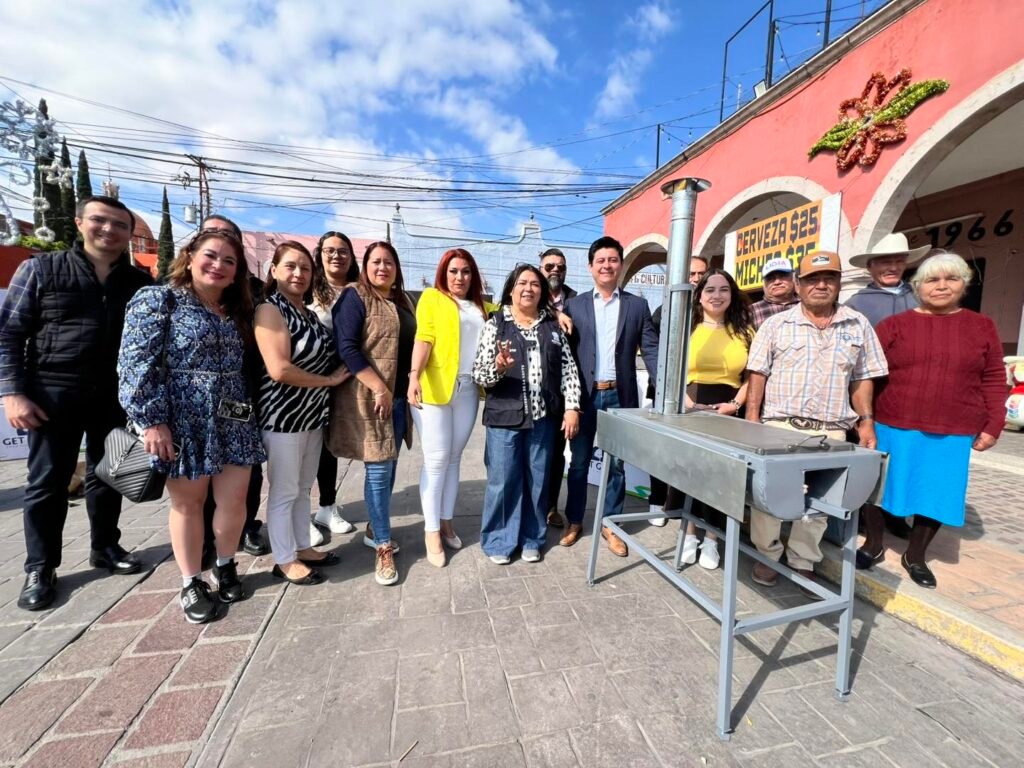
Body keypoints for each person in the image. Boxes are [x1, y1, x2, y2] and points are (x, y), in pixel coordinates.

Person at [1, 196, 153, 611]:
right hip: (53, 392)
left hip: (115, 396)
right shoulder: (39, 269)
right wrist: (11, 393)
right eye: (100, 221)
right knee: (47, 482)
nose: (109, 231)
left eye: (119, 225)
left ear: (128, 233)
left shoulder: (139, 284)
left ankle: (105, 546)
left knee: (110, 474)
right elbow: (9, 333)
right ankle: (40, 567)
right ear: (79, 223)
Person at [120, 230, 265, 623]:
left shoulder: (235, 311)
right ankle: (190, 582)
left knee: (235, 500)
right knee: (189, 503)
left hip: (234, 416)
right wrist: (152, 421)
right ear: (190, 256)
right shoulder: (159, 300)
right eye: (211, 256)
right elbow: (134, 365)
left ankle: (226, 563)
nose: (218, 265)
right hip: (183, 418)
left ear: (237, 273)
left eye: (229, 261)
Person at [856, 253, 1006, 588]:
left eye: (951, 279)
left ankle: (916, 555)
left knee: (937, 493)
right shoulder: (895, 326)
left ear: (963, 285)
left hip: (953, 428)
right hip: (892, 422)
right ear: (918, 287)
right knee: (877, 490)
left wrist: (994, 423)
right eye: (932, 280)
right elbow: (867, 374)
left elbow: (994, 377)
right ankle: (874, 543)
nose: (941, 286)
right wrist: (864, 419)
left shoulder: (982, 327)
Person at [744, 250, 887, 596]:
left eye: (829, 278)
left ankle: (803, 559)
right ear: (798, 284)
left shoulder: (857, 324)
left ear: (839, 283)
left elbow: (863, 377)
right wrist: (751, 421)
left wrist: (866, 422)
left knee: (821, 504)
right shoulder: (776, 324)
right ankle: (768, 554)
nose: (821, 285)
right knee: (768, 498)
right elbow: (757, 374)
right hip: (778, 426)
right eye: (812, 279)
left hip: (831, 428)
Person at [472, 265, 581, 564]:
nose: (528, 288)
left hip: (543, 418)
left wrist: (572, 407)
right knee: (503, 481)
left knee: (538, 480)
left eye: (535, 284)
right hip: (504, 418)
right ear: (511, 289)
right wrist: (499, 367)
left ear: (542, 292)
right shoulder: (496, 324)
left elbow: (569, 370)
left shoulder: (552, 326)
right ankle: (498, 541)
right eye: (522, 283)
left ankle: (532, 537)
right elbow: (479, 374)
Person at [255, 242, 349, 585]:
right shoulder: (269, 310)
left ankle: (301, 546)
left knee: (303, 487)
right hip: (283, 417)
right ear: (275, 269)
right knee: (283, 490)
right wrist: (327, 381)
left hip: (310, 416)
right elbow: (279, 369)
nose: (299, 274)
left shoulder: (307, 312)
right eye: (291, 266)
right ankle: (283, 558)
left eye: (305, 269)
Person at [561, 236, 659, 556]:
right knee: (578, 463)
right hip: (585, 398)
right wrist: (567, 402)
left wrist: (667, 390)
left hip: (621, 397)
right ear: (590, 267)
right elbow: (560, 352)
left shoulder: (636, 305)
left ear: (620, 264)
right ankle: (575, 520)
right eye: (600, 260)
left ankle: (610, 524)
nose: (607, 265)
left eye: (612, 259)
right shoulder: (573, 306)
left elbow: (652, 350)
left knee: (616, 466)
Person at [327, 241, 415, 586]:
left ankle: (373, 528)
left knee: (389, 466)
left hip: (396, 399)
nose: (383, 267)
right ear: (365, 266)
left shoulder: (403, 300)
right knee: (378, 471)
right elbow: (346, 346)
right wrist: (378, 385)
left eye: (389, 262)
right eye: (376, 262)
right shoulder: (355, 296)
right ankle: (382, 545)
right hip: (369, 397)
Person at [408, 249, 493, 567]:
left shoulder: (484, 307)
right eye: (454, 271)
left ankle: (446, 521)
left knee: (454, 459)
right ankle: (431, 532)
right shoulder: (432, 298)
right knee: (436, 460)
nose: (460, 277)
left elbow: (517, 311)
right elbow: (424, 337)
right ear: (444, 272)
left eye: (466, 272)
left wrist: (558, 313)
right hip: (434, 389)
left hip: (468, 389)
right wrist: (413, 376)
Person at [665, 270, 754, 569]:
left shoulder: (745, 332)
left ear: (732, 294)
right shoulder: (685, 329)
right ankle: (689, 534)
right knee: (690, 473)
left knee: (721, 477)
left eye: (724, 289)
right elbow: (671, 368)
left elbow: (753, 376)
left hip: (728, 410)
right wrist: (687, 400)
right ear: (699, 295)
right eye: (710, 289)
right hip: (690, 405)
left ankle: (713, 540)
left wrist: (735, 403)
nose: (717, 295)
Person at [198, 214, 270, 559]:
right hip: (192, 405)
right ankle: (203, 539)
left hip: (241, 397)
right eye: (212, 235)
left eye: (229, 238)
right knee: (199, 475)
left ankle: (246, 526)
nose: (221, 242)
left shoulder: (253, 292)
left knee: (246, 470)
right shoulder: (179, 294)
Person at [647, 253, 708, 526]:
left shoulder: (714, 312)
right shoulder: (665, 310)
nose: (695, 279)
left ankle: (686, 510)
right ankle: (657, 500)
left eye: (700, 274)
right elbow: (655, 352)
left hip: (701, 397)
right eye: (690, 274)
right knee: (661, 450)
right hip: (666, 393)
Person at [309, 231, 359, 538]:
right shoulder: (308, 289)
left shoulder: (358, 290)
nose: (336, 256)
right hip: (308, 380)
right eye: (329, 250)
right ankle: (300, 516)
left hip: (345, 378)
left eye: (343, 251)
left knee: (330, 446)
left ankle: (327, 507)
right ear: (320, 255)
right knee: (306, 447)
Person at [539, 247, 577, 529]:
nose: (555, 270)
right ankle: (530, 505)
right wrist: (553, 313)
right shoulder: (530, 293)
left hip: (565, 390)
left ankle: (551, 507)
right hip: (531, 391)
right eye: (549, 265)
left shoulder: (577, 301)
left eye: (560, 266)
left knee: (555, 455)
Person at [845, 232, 929, 327]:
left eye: (899, 261)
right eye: (885, 262)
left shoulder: (922, 295)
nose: (893, 268)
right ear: (869, 266)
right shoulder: (855, 305)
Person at [750, 257, 799, 329]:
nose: (777, 282)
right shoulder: (751, 311)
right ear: (764, 283)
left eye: (782, 276)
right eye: (770, 278)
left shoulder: (807, 306)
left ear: (793, 278)